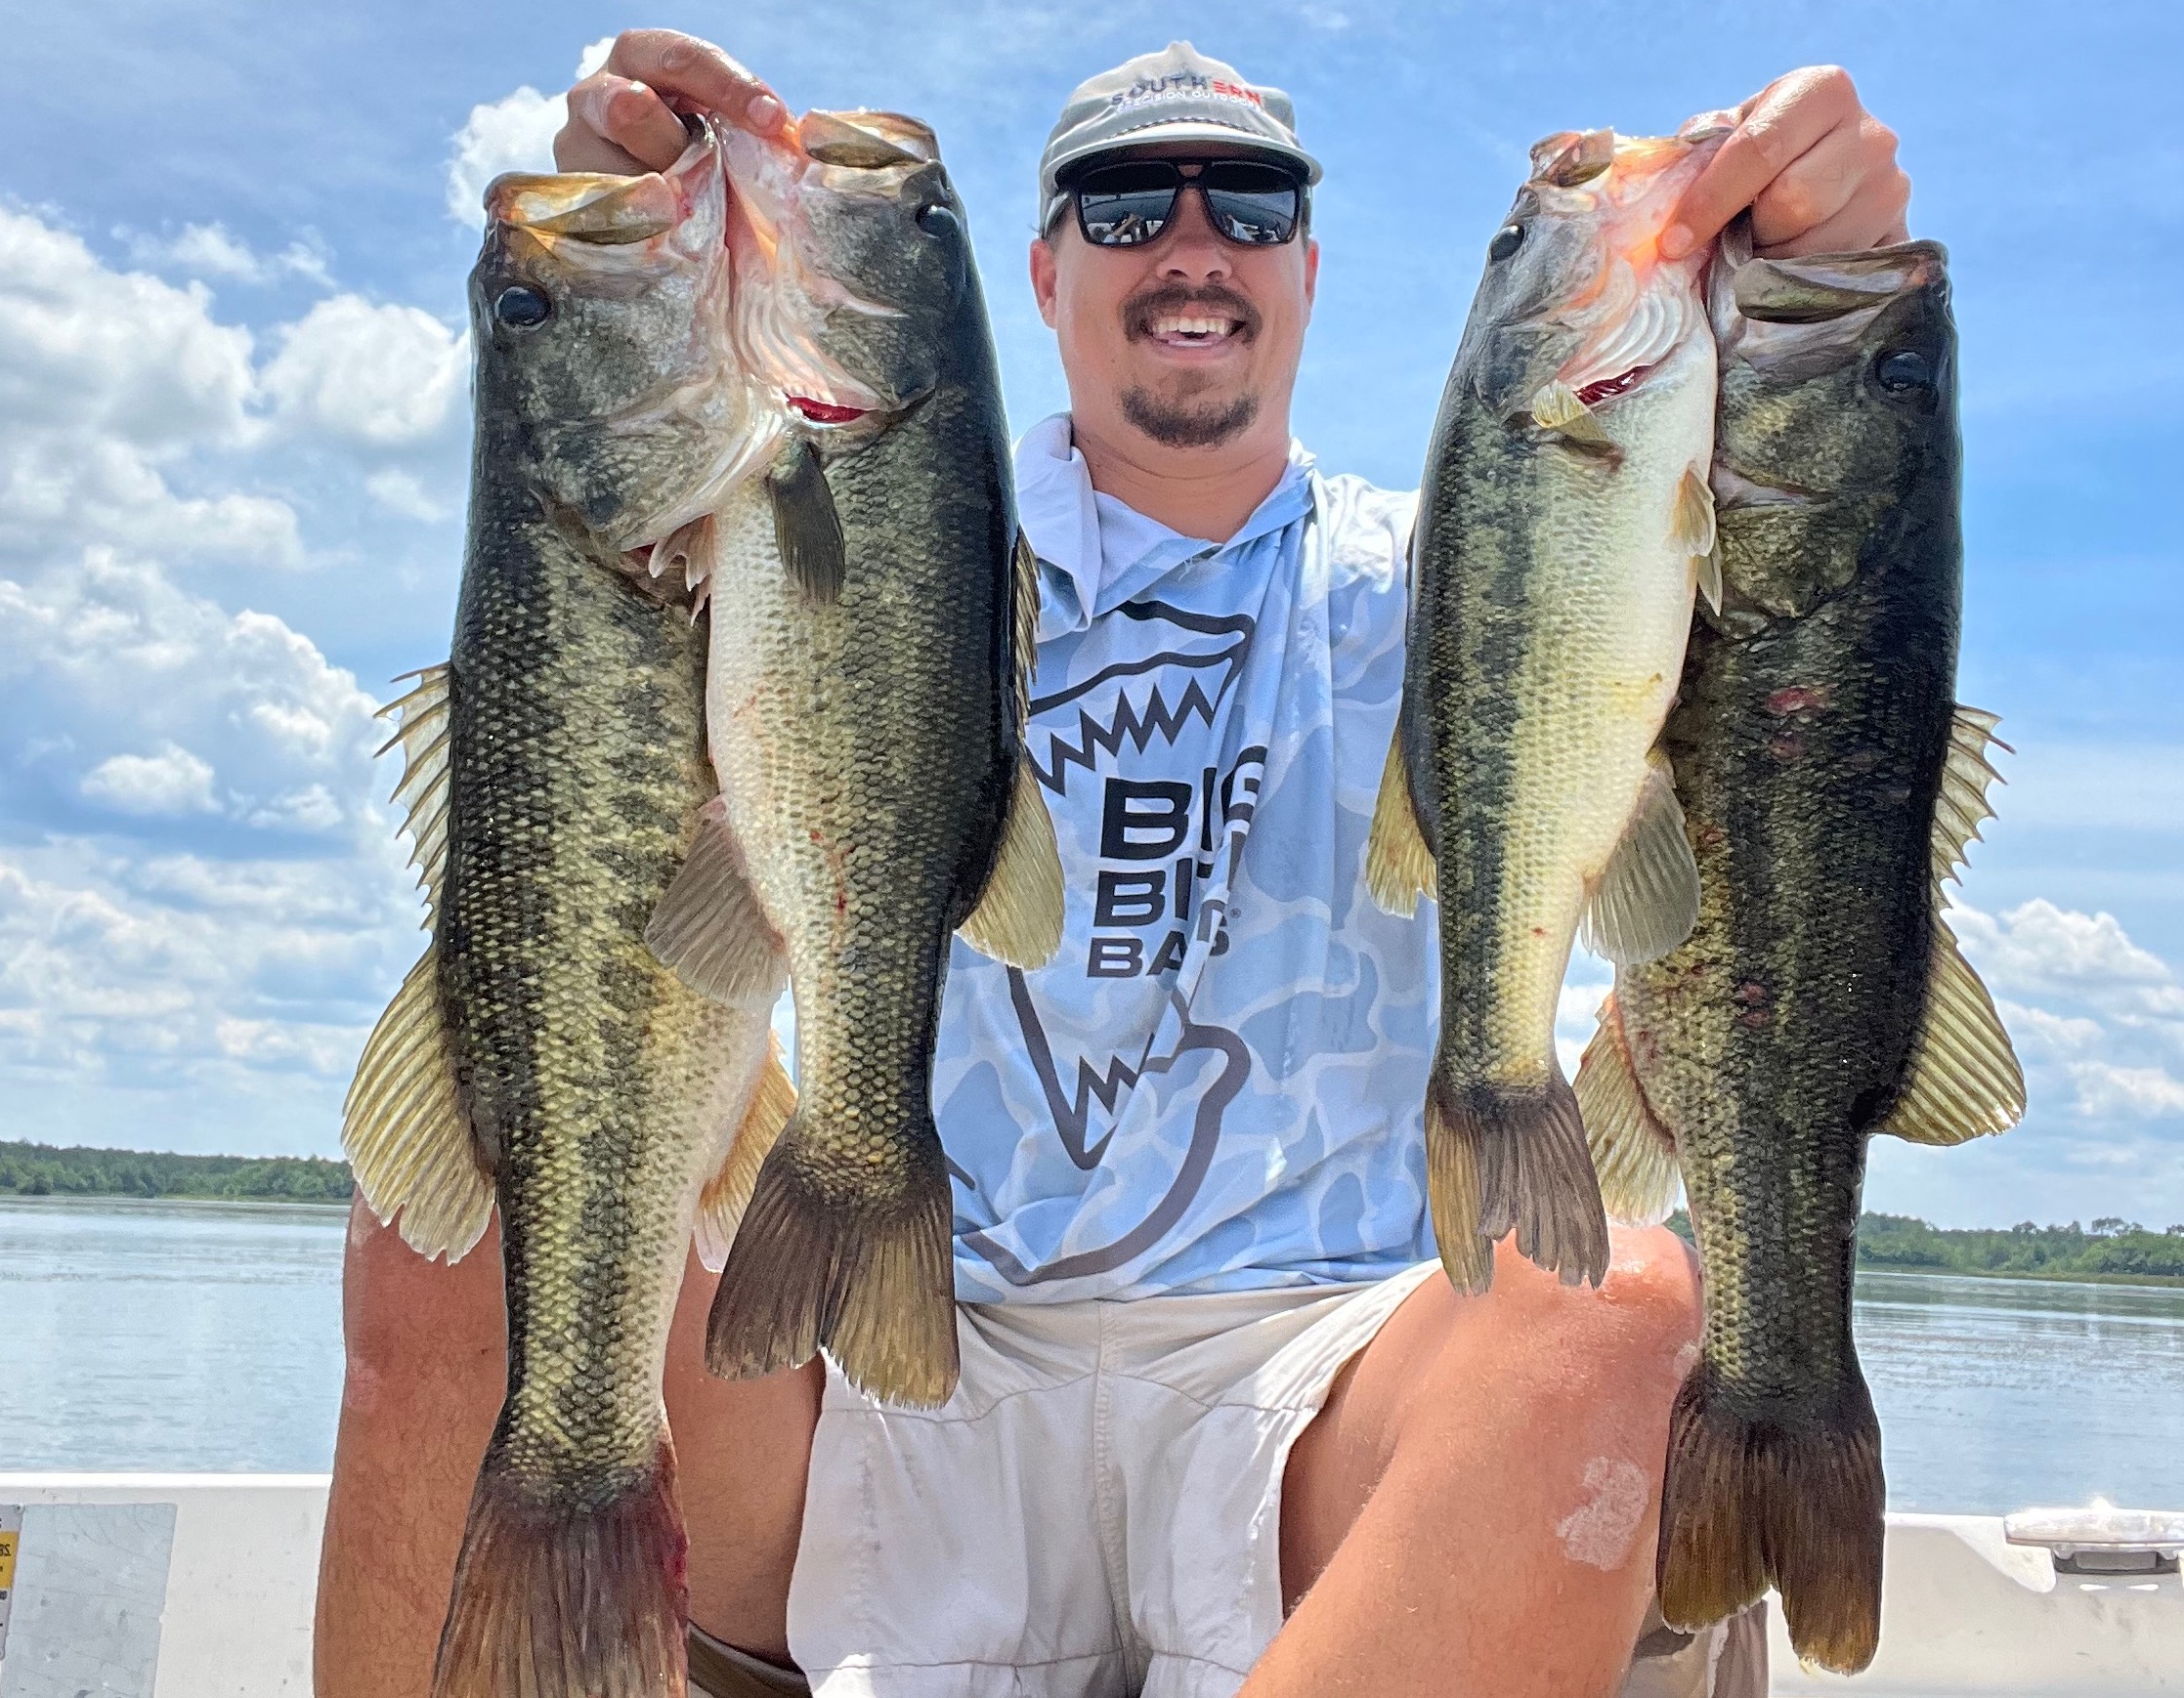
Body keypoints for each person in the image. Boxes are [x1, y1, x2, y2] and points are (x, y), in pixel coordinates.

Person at [316, 37, 1909, 1698]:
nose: (1190, 239)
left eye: (1251, 200)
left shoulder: (1468, 572)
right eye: (1126, 199)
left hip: (1314, 1379)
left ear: (1308, 264)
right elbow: (588, 606)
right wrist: (622, 261)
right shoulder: (851, 532)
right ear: (1044, 268)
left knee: (1624, 1320)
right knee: (461, 1212)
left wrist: (1830, 266)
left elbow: (1782, 577)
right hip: (892, 1352)